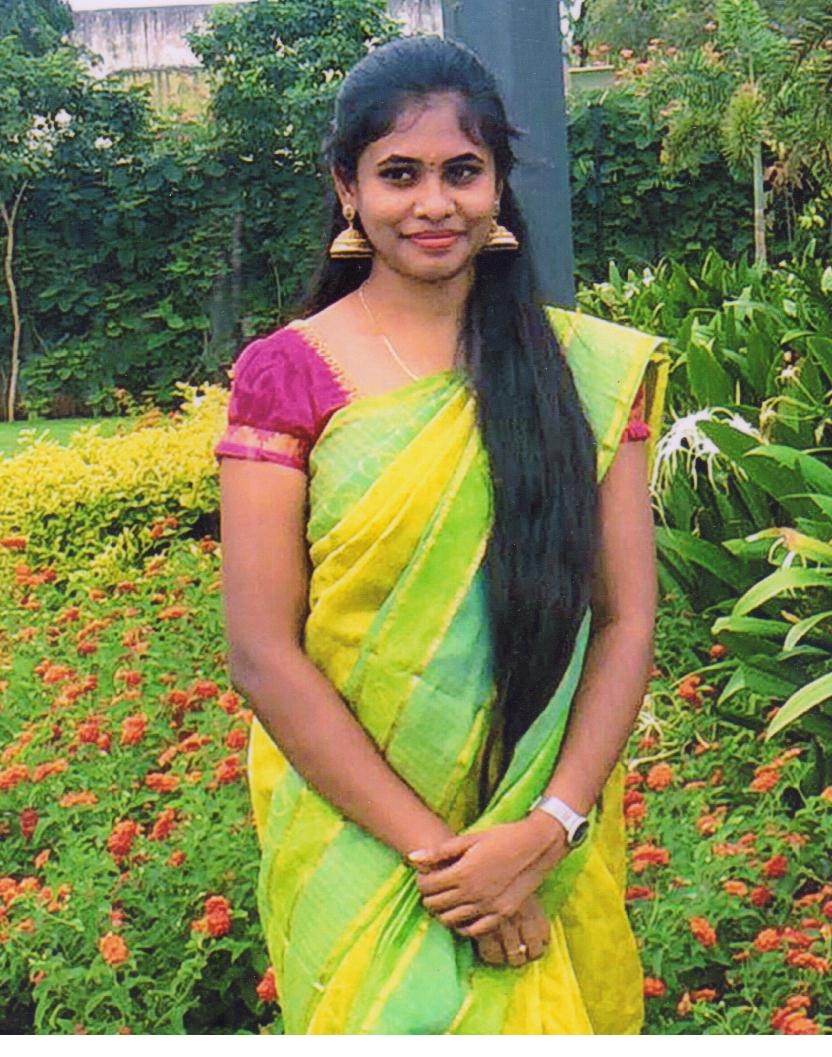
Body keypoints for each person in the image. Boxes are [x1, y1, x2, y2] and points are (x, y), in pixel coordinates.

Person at [214, 35, 669, 1035]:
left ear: (498, 183)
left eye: (462, 171)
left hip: (542, 826)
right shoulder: (287, 375)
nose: (434, 203)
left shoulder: (584, 373)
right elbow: (260, 651)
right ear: (348, 188)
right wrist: (453, 867)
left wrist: (544, 831)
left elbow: (626, 618)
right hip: (359, 838)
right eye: (399, 174)